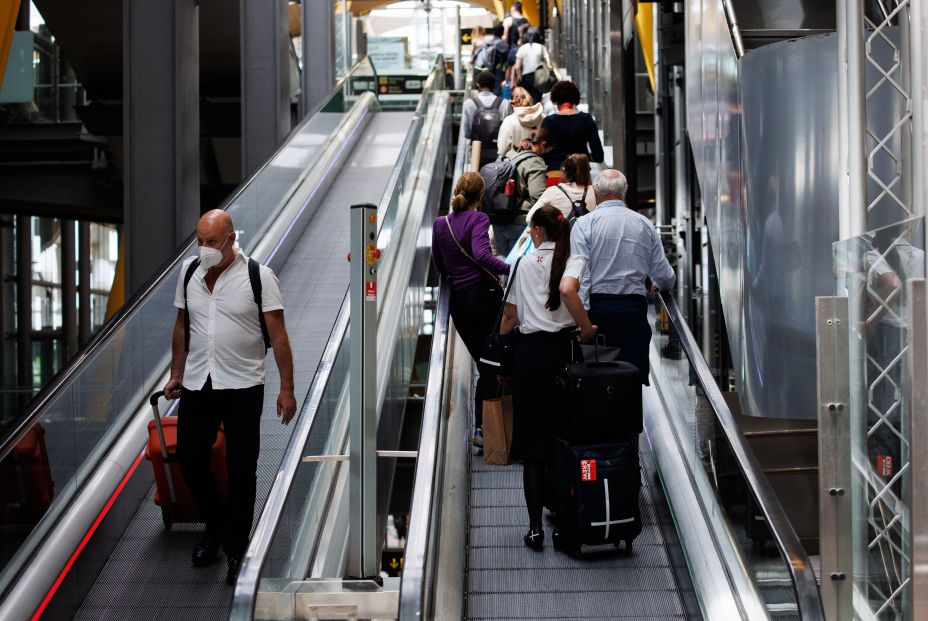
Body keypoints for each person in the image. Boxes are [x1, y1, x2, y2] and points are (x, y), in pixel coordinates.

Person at [163, 209, 296, 585]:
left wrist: (287, 389)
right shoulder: (189, 272)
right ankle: (216, 524)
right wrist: (176, 372)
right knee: (188, 457)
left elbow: (280, 337)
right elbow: (181, 325)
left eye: (211, 242)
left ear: (231, 239)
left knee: (241, 470)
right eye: (200, 241)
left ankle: (236, 547)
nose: (204, 248)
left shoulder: (259, 277)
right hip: (198, 382)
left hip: (243, 384)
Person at [499, 206, 596, 550]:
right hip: (564, 356)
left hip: (529, 358)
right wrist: (587, 329)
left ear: (537, 232)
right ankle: (566, 518)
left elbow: (509, 317)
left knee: (532, 446)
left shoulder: (522, 264)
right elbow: (575, 297)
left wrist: (500, 355)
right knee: (563, 439)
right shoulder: (574, 262)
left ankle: (534, 527)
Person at [560, 169, 674, 382]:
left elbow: (582, 279)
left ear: (595, 191)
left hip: (597, 314)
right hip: (633, 314)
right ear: (626, 191)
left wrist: (583, 323)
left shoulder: (584, 224)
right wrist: (659, 284)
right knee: (630, 382)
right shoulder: (644, 224)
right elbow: (665, 276)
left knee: (596, 384)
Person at [431, 173, 511, 448]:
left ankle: (483, 427)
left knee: (484, 361)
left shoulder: (440, 223)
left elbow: (439, 265)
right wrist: (510, 268)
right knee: (495, 362)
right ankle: (486, 428)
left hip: (458, 303)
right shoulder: (479, 219)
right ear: (480, 196)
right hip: (484, 297)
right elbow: (481, 255)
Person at [494, 128, 552, 256]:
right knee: (517, 268)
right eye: (548, 150)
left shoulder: (509, 154)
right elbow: (539, 196)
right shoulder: (535, 162)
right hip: (519, 223)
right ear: (543, 145)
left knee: (503, 266)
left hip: (498, 220)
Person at [541, 80, 604, 172]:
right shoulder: (586, 120)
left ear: (555, 100)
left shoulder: (548, 122)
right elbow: (599, 156)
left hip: (555, 173)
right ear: (575, 99)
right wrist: (583, 156)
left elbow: (543, 156)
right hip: (581, 174)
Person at [526, 153, 597, 223]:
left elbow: (529, 218)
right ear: (587, 172)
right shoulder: (593, 191)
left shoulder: (553, 191)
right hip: (585, 234)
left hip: (560, 234)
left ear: (564, 170)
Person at [462, 71, 513, 166]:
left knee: (478, 179)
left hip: (477, 152)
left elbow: (467, 133)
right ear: (493, 85)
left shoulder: (469, 104)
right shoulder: (504, 103)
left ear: (478, 84)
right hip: (499, 152)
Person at [496, 87, 543, 157]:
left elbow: (502, 150)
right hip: (538, 164)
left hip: (514, 164)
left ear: (512, 103)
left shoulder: (509, 121)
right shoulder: (543, 118)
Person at [513, 27, 551, 105]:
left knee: (527, 97)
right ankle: (537, 113)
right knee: (537, 97)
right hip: (539, 76)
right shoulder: (541, 47)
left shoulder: (522, 48)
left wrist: (520, 78)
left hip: (526, 77)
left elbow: (517, 66)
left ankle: (529, 112)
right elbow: (548, 63)